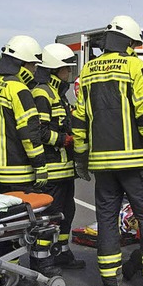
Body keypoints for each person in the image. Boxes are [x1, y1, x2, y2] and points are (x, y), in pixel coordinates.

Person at [71, 14, 143, 286]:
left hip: (103, 164)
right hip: (136, 162)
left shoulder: (88, 71)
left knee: (107, 218)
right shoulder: (135, 66)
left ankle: (110, 280)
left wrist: (81, 158)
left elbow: (80, 119)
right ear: (130, 42)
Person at [0, 35, 59, 277]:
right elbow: (30, 134)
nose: (35, 70)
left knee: (0, 224)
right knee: (20, 227)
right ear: (23, 64)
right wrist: (41, 166)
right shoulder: (19, 90)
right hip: (18, 171)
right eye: (33, 65)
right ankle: (17, 275)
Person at [32, 43, 85, 270]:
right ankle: (41, 260)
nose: (68, 74)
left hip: (64, 169)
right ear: (55, 70)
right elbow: (40, 132)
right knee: (50, 216)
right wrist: (66, 140)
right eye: (66, 70)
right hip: (51, 168)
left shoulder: (58, 94)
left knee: (67, 212)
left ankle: (62, 253)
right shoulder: (42, 93)